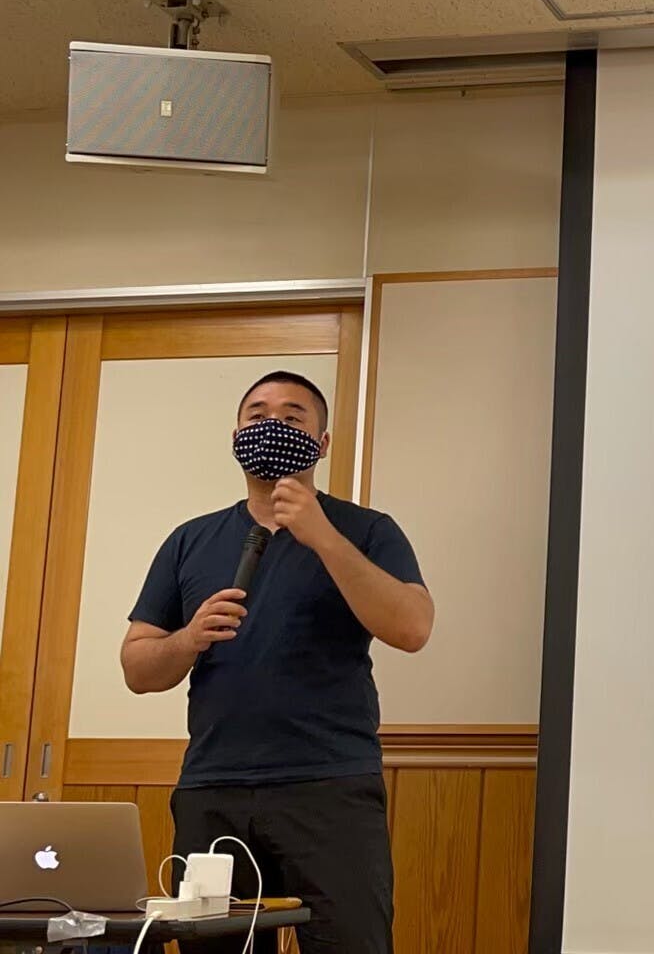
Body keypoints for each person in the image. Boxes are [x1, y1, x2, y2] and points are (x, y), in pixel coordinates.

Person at [120, 370, 433, 954]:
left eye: (292, 417)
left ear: (322, 442)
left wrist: (322, 536)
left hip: (331, 787)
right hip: (213, 788)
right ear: (235, 434)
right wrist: (188, 639)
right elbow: (138, 669)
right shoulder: (190, 539)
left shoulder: (367, 530)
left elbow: (412, 627)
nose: (272, 425)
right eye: (257, 415)